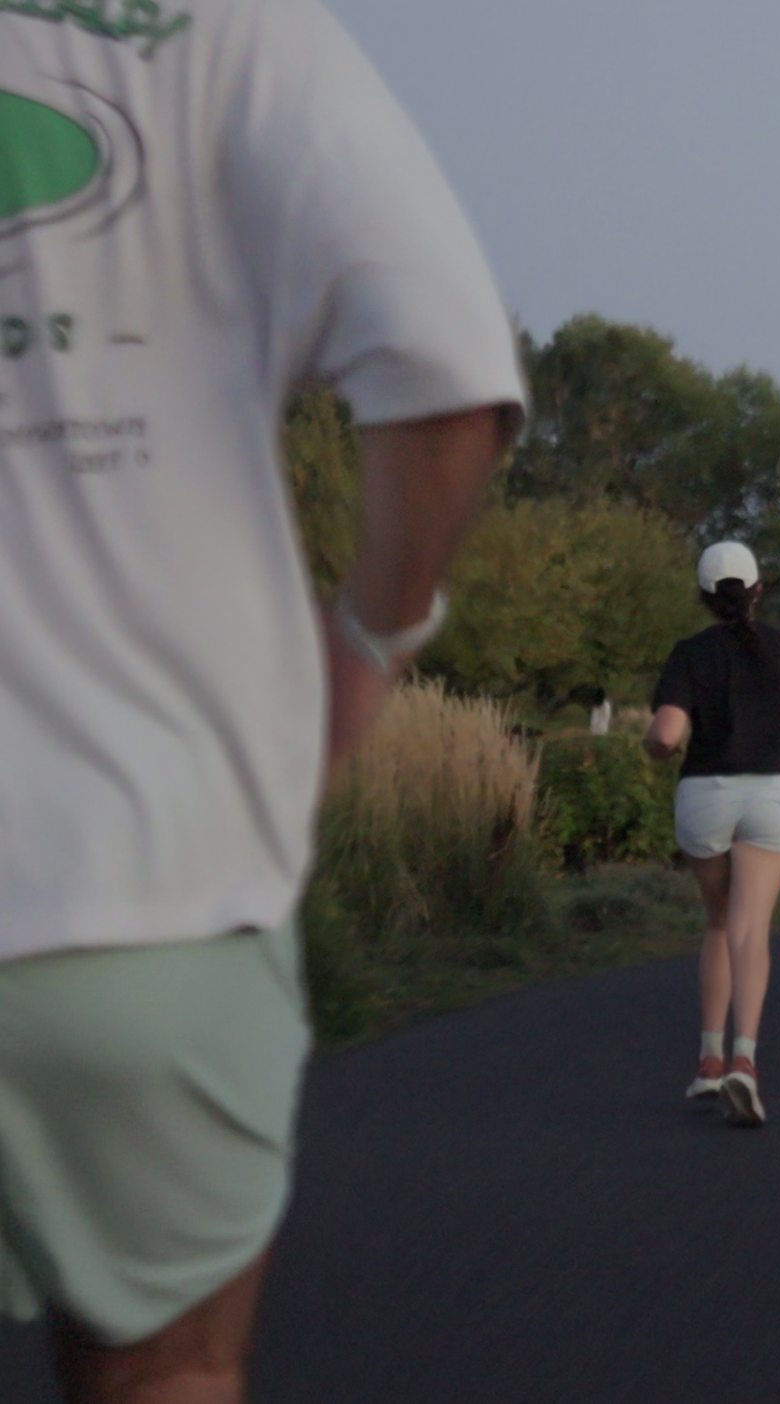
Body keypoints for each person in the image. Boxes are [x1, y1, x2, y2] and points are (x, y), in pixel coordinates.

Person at [0, 3, 525, 1399]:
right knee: (160, 1373)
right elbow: (447, 378)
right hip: (135, 867)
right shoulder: (230, 28)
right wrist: (368, 642)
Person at [646, 543, 780, 1127]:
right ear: (758, 589)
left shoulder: (690, 654)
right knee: (751, 929)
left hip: (706, 795)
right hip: (774, 795)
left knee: (719, 921)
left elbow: (667, 733)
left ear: (705, 597)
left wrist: (652, 746)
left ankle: (708, 1062)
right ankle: (745, 1064)